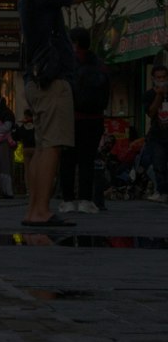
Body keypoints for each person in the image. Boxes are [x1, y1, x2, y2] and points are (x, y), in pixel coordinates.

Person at [5, 0, 90, 227]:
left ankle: (34, 209)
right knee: (52, 146)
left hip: (36, 80)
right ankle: (41, 210)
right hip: (53, 81)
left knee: (42, 147)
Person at [58, 27, 110, 214]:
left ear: (74, 43)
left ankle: (68, 200)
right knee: (87, 160)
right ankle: (86, 200)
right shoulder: (100, 64)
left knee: (68, 160)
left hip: (72, 118)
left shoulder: (68, 64)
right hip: (95, 119)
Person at [143, 62, 168, 203]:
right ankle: (162, 191)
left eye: (164, 77)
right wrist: (159, 95)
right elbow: (151, 113)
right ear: (153, 78)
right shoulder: (149, 94)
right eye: (158, 77)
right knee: (159, 165)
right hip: (157, 135)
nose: (162, 79)